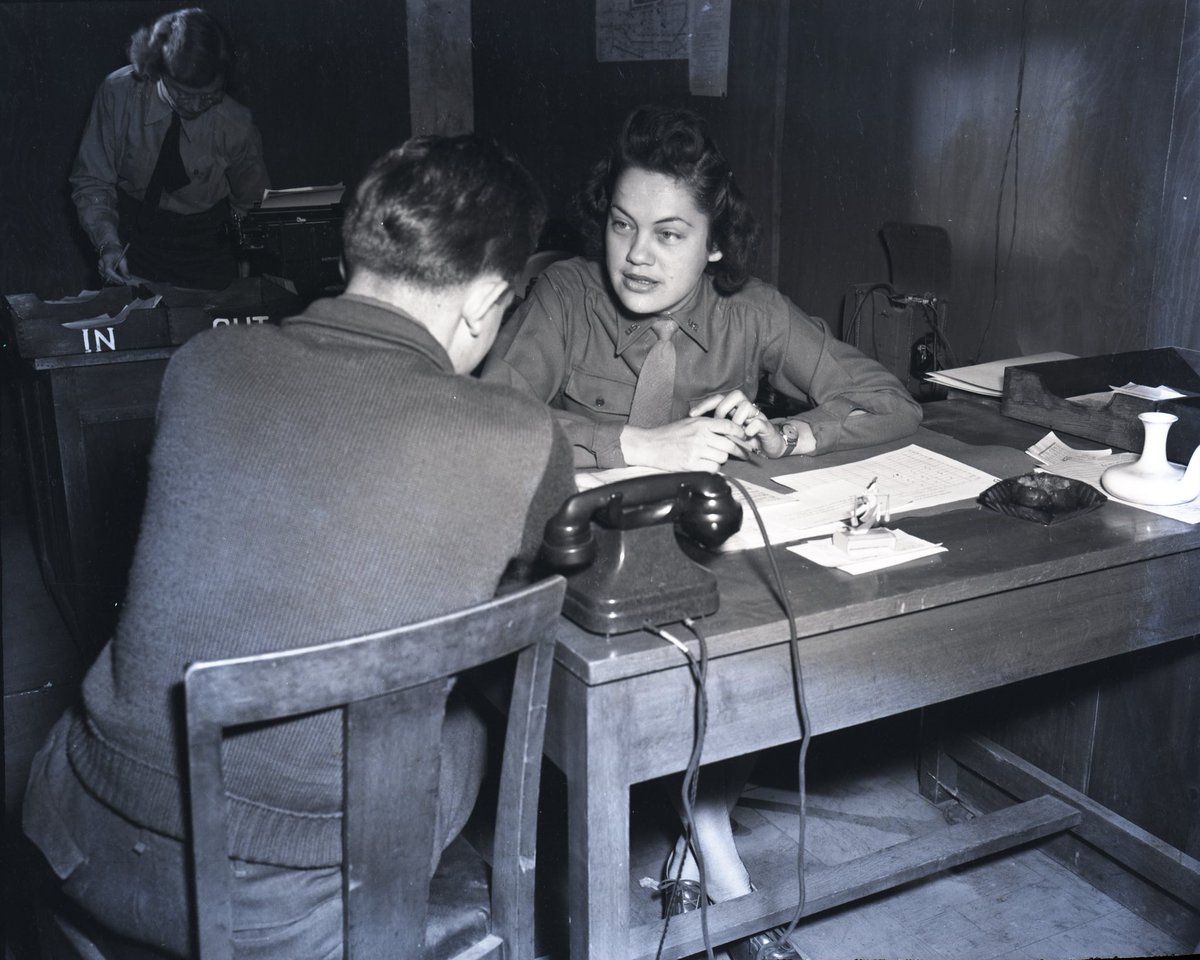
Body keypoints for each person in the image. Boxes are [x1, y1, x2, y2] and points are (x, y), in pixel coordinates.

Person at [24, 134, 575, 958]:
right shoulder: (523, 435)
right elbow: (552, 583)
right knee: (466, 723)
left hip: (76, 832)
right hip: (278, 914)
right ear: (487, 296)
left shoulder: (202, 363)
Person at [482, 104, 922, 959]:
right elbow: (492, 420)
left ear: (715, 244)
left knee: (776, 630)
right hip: (582, 576)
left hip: (706, 566)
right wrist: (631, 443)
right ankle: (721, 867)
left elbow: (890, 400)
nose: (637, 254)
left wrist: (791, 433)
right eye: (621, 225)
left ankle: (700, 845)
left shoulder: (751, 311)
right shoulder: (567, 295)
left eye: (670, 233)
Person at [71, 7, 271, 289]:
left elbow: (251, 205)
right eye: (184, 95)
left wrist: (249, 273)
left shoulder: (235, 123)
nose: (196, 106)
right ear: (157, 71)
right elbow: (92, 181)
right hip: (132, 241)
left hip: (207, 249)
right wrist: (107, 245)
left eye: (209, 97)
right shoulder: (117, 95)